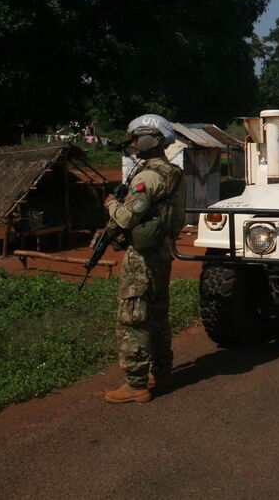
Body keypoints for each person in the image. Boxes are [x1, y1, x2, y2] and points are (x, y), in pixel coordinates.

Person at [103, 114, 186, 403]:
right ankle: (162, 372)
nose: (134, 143)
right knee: (158, 315)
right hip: (162, 251)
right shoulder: (173, 172)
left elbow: (127, 217)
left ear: (149, 139)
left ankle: (136, 384)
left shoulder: (147, 176)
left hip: (142, 256)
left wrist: (112, 204)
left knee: (133, 317)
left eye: (136, 137)